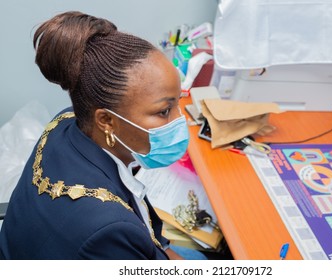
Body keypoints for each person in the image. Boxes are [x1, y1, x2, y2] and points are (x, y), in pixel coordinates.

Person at [0, 11, 206, 260]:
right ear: (106, 121)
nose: (179, 120)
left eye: (177, 103)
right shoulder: (109, 228)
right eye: (164, 111)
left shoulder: (66, 121)